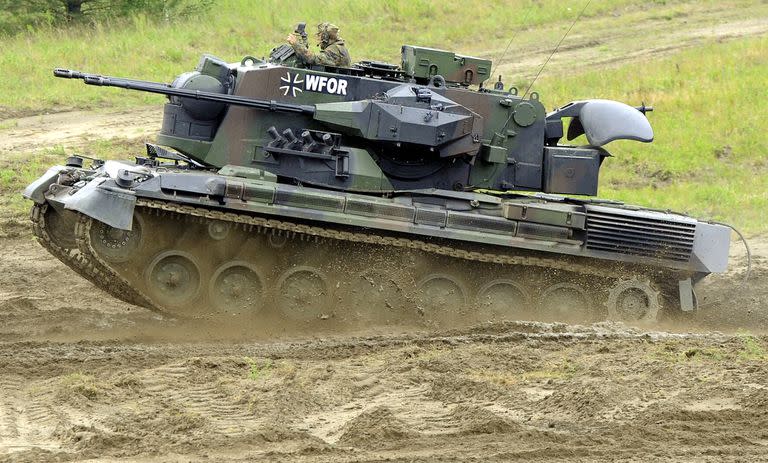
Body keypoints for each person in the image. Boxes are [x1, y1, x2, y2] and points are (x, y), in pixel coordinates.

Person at [286, 22, 351, 68]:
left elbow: (313, 60)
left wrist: (296, 44)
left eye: (320, 35)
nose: (318, 38)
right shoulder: (338, 47)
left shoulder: (334, 50)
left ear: (325, 37)